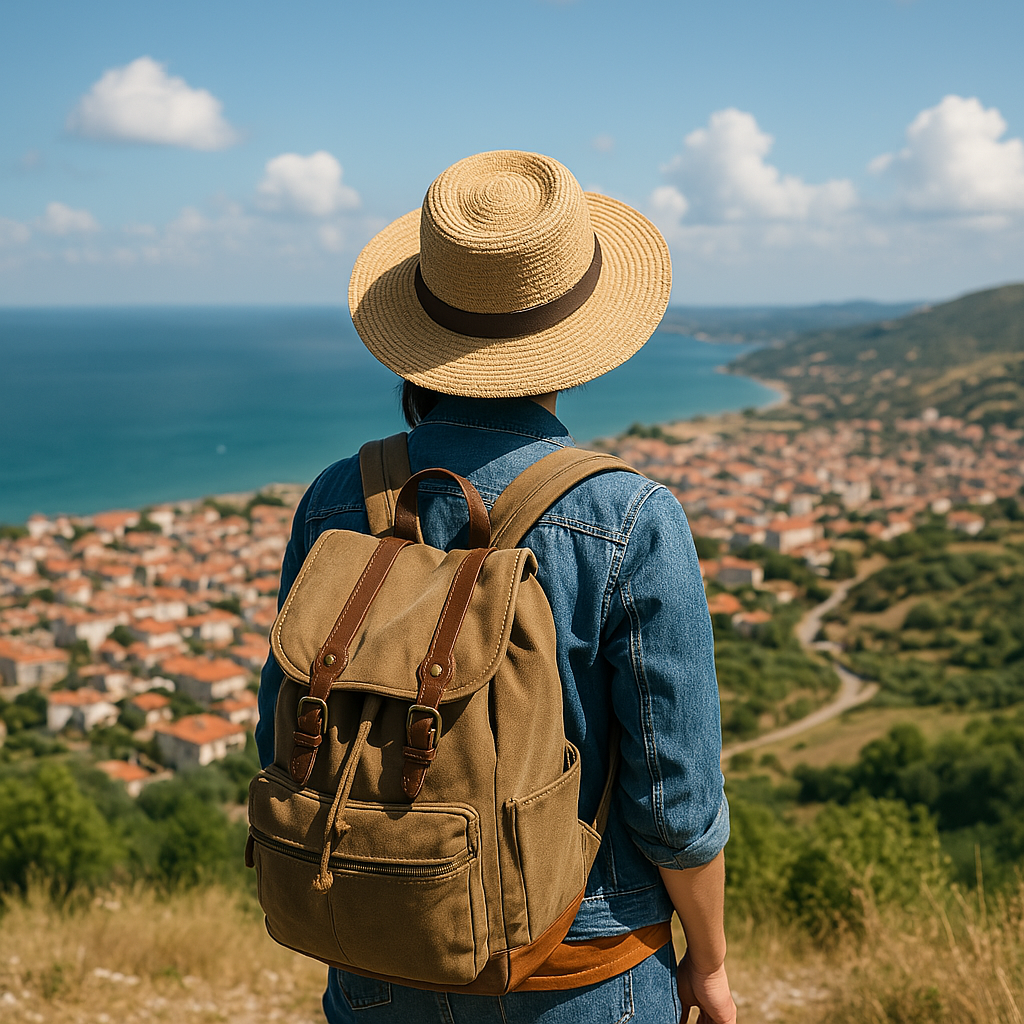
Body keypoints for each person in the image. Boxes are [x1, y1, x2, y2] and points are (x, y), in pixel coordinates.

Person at [256, 150, 736, 1024]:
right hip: (579, 965)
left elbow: (279, 735)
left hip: (377, 953)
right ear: (578, 341)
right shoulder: (627, 515)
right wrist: (709, 960)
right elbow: (676, 804)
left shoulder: (337, 497)